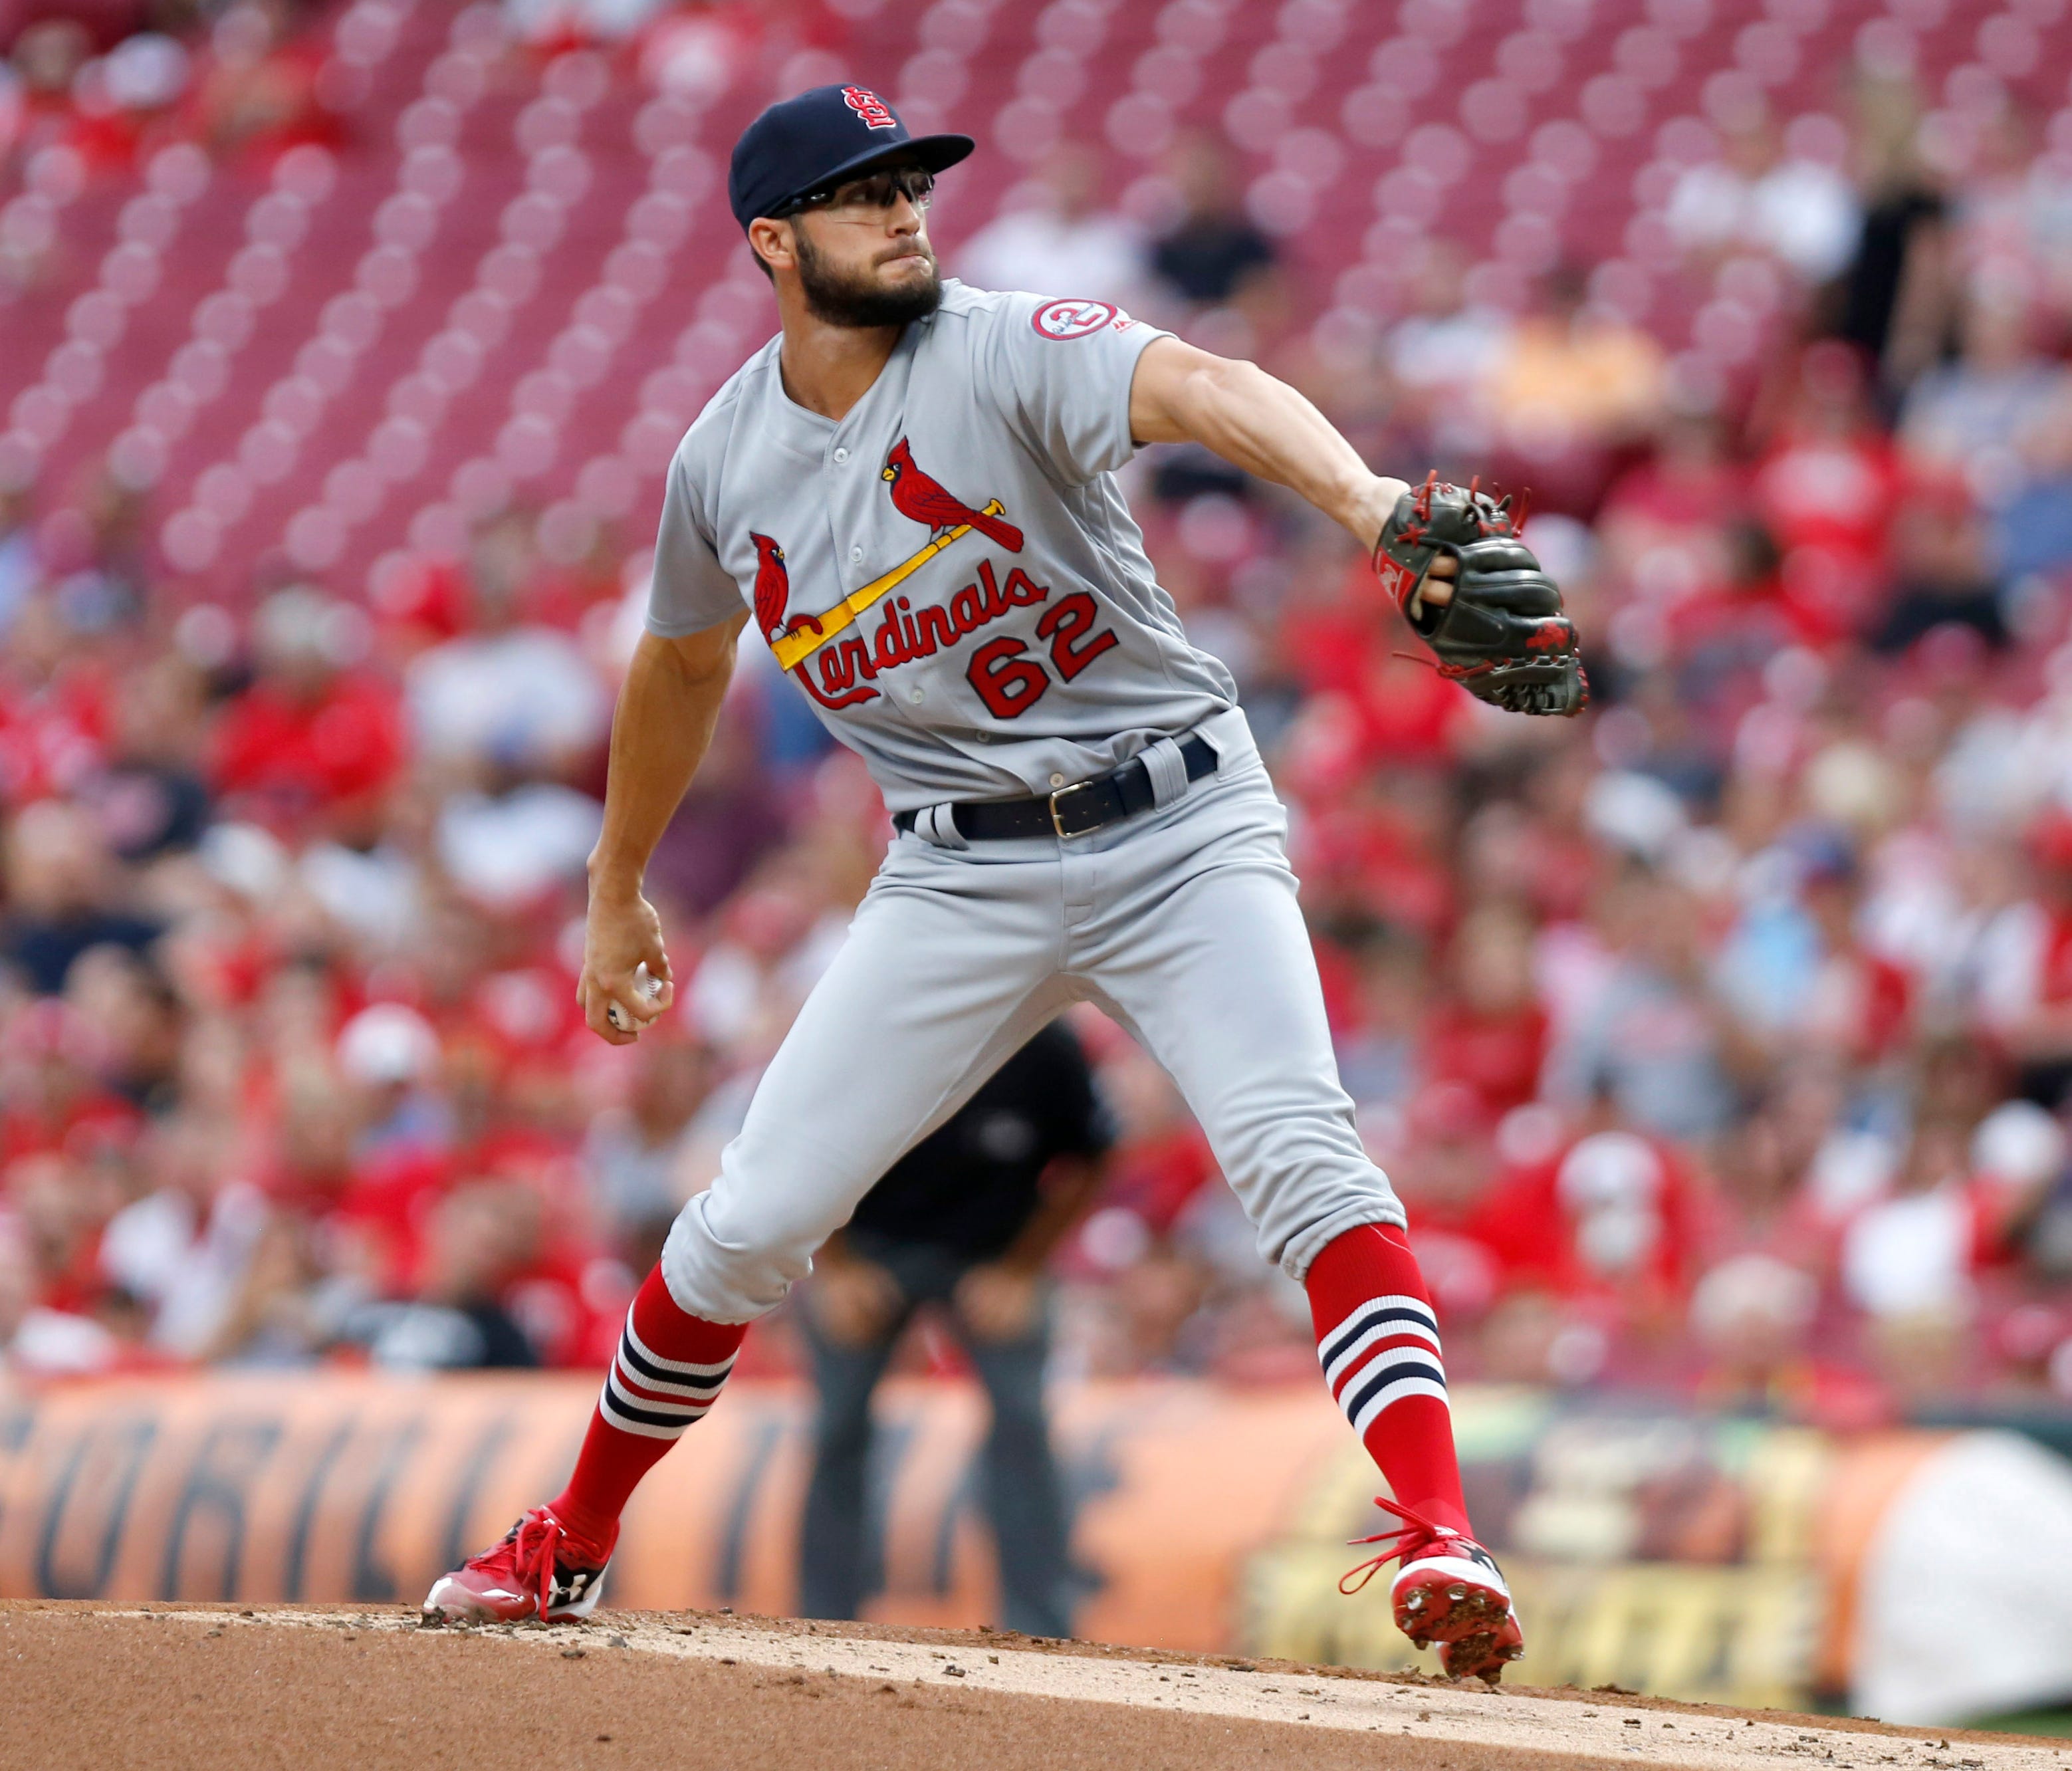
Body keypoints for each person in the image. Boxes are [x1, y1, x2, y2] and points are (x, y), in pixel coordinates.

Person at [425, 81, 1554, 1681]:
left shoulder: (1003, 343)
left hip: (1176, 824)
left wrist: (1368, 505)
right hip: (960, 869)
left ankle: (1441, 1525)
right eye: (860, 192)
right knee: (751, 1220)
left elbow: (1207, 382)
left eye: (911, 185)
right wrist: (616, 881)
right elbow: (678, 666)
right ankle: (571, 1539)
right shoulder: (726, 459)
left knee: (1301, 1153)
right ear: (772, 241)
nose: (903, 212)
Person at [798, 1019, 1110, 1638]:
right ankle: (821, 1622)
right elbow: (795, 1142)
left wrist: (1023, 1269)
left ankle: (1041, 1627)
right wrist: (833, 1265)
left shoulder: (1047, 1046)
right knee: (837, 1424)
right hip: (868, 1244)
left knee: (1023, 1421)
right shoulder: (874, 1025)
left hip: (995, 1254)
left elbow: (1092, 1155)